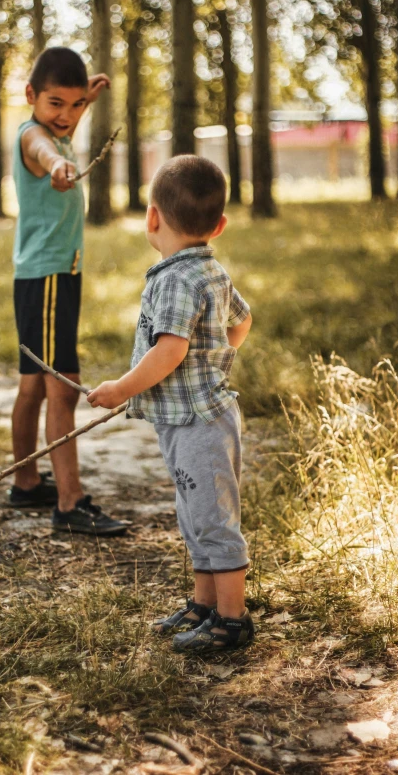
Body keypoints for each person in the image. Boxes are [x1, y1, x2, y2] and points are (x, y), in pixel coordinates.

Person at [87, 155, 254, 652]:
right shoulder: (210, 270)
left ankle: (232, 620)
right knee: (196, 512)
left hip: (199, 421)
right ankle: (205, 605)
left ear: (152, 218)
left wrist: (122, 388)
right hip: (194, 418)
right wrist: (219, 357)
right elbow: (241, 322)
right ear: (219, 225)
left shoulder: (174, 279)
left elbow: (171, 349)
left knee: (214, 519)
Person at [9, 46, 128, 537]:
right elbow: (45, 149)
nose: (67, 115)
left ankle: (25, 482)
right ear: (31, 96)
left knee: (35, 385)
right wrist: (57, 167)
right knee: (63, 385)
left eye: (76, 105)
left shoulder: (55, 126)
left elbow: (59, 134)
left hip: (42, 275)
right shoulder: (34, 138)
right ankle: (69, 501)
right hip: (51, 277)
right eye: (56, 103)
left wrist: (88, 101)